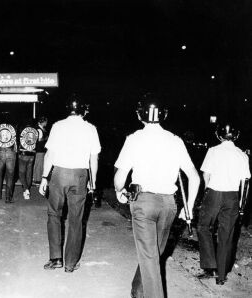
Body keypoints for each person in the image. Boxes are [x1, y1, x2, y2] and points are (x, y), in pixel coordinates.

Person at [113, 93, 200, 298]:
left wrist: (119, 190)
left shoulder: (134, 139)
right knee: (153, 254)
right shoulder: (176, 141)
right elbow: (195, 178)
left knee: (149, 256)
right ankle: (138, 290)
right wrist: (188, 208)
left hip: (144, 203)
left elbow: (120, 177)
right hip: (169, 205)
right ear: (164, 115)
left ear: (139, 115)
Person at [39, 96, 101, 273]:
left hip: (59, 174)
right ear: (83, 110)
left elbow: (49, 154)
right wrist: (93, 183)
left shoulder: (58, 126)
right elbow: (93, 159)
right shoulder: (91, 129)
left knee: (54, 214)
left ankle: (55, 258)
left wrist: (44, 177)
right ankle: (70, 263)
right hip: (80, 175)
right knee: (76, 219)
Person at [197, 123, 250, 285]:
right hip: (232, 197)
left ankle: (209, 265)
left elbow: (206, 175)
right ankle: (221, 276)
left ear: (219, 135)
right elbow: (245, 182)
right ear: (236, 135)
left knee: (203, 227)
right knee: (226, 236)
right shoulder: (242, 155)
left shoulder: (213, 151)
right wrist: (241, 205)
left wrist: (208, 193)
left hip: (214, 193)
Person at [0, 112, 17, 203]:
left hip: (0, 152)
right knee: (10, 176)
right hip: (11, 152)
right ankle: (8, 198)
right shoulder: (14, 126)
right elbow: (16, 141)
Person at [17, 121, 39, 200]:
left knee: (21, 173)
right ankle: (26, 192)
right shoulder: (35, 130)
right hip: (32, 154)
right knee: (29, 173)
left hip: (23, 154)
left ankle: (26, 189)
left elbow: (18, 140)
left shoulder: (22, 129)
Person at [33, 116, 48, 185]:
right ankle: (37, 179)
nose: (46, 123)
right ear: (43, 122)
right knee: (39, 165)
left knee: (39, 164)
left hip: (40, 150)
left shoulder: (40, 128)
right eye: (46, 122)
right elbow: (39, 140)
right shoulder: (39, 129)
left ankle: (37, 178)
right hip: (40, 150)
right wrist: (46, 138)